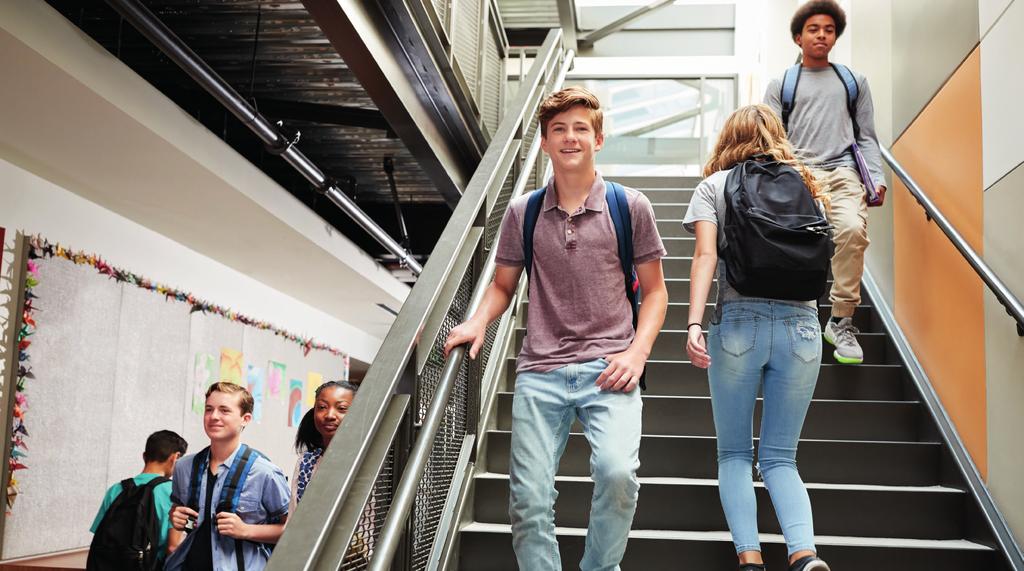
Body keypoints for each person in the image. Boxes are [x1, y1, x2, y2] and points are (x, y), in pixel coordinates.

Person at [444, 86, 668, 570]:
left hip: (611, 368)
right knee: (527, 502)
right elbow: (503, 286)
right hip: (541, 370)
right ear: (544, 142)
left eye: (581, 128)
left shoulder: (631, 207)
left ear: (599, 138)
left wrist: (637, 353)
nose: (570, 138)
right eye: (558, 130)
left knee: (617, 476)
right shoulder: (523, 212)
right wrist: (478, 322)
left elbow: (655, 292)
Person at [684, 104, 830, 571]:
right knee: (782, 458)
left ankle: (750, 558)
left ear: (727, 138)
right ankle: (804, 555)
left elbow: (705, 257)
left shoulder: (713, 186)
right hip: (804, 330)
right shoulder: (808, 187)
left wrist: (692, 324)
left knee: (733, 454)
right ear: (778, 137)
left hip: (738, 325)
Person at [763, 0, 886, 365]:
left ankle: (841, 320)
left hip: (843, 171)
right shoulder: (781, 84)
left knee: (851, 231)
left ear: (835, 37)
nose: (822, 35)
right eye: (814, 30)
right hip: (798, 174)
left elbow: (867, 136)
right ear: (798, 37)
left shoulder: (853, 82)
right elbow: (769, 138)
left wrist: (875, 177)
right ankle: (795, 316)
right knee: (799, 243)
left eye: (829, 30)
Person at [165, 382, 290, 571]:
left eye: (224, 410)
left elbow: (292, 530)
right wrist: (177, 518)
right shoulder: (184, 466)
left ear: (245, 419)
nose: (214, 416)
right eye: (209, 409)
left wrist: (246, 530)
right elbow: (185, 516)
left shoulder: (265, 472)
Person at [88, 430, 188, 569]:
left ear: (144, 456)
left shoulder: (117, 489)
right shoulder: (173, 491)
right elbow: (173, 547)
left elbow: (100, 535)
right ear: (175, 457)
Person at [290, 380, 358, 511]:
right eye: (322, 407)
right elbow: (294, 516)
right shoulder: (307, 462)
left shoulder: (364, 460)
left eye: (342, 408)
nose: (330, 415)